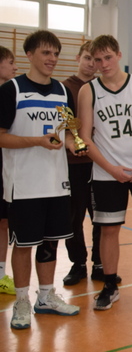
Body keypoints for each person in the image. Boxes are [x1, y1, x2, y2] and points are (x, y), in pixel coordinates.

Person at [0, 30, 81, 330]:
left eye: (56, 54)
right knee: (23, 245)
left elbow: (68, 131)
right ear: (29, 54)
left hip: (56, 182)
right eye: (46, 53)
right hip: (23, 184)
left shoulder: (63, 91)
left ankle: (45, 296)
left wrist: (74, 144)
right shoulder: (11, 90)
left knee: (50, 242)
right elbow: (1, 137)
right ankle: (22, 300)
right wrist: (37, 141)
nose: (52, 59)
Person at [77, 35, 132, 310]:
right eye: (97, 59)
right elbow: (84, 138)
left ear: (119, 55)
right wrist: (111, 169)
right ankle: (110, 285)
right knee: (108, 229)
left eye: (108, 57)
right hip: (106, 171)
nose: (103, 64)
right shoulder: (88, 90)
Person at [61, 41, 104, 286]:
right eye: (87, 58)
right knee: (73, 218)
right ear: (78, 58)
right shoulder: (65, 88)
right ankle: (77, 263)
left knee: (101, 216)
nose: (91, 64)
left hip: (99, 162)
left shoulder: (102, 88)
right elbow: (65, 125)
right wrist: (74, 143)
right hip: (73, 163)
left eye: (95, 60)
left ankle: (100, 263)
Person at [0, 46, 18, 295]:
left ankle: (1, 274)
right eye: (10, 62)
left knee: (3, 222)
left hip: (5, 167)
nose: (15, 67)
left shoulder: (8, 95)